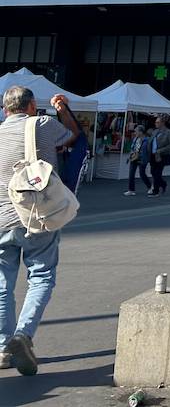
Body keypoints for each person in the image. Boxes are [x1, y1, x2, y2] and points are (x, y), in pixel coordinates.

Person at [0, 86, 79, 375]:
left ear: (4, 109)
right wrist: (62, 110)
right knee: (42, 276)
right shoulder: (43, 124)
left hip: (0, 220)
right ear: (32, 105)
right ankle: (23, 335)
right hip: (36, 215)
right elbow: (73, 135)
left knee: (2, 285)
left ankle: (2, 348)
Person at [149, 117, 170, 197]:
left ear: (162, 123)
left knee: (157, 172)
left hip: (162, 155)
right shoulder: (155, 131)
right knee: (153, 172)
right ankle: (163, 184)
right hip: (153, 154)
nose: (155, 124)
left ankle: (156, 191)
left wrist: (161, 150)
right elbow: (151, 141)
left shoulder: (168, 132)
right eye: (155, 122)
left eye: (157, 122)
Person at [124, 124, 152, 196]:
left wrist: (147, 159)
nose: (135, 132)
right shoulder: (135, 139)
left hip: (142, 159)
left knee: (142, 174)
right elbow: (132, 148)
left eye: (136, 131)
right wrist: (130, 156)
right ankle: (131, 190)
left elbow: (149, 151)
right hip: (134, 157)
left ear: (141, 132)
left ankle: (150, 187)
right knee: (131, 174)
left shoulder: (147, 140)